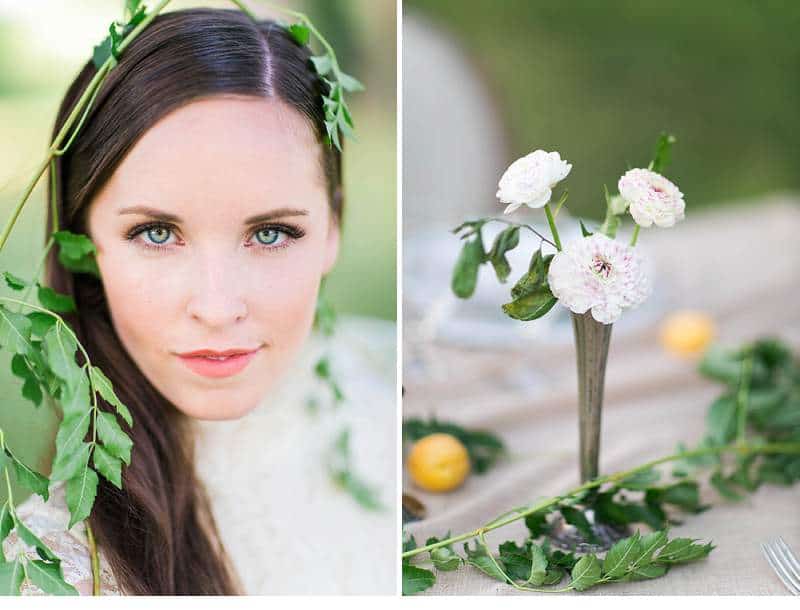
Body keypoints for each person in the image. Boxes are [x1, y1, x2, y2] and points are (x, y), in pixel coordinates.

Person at [1, 7, 395, 595]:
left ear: (333, 228)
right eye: (157, 233)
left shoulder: (383, 372)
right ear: (83, 244)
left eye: (270, 233)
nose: (216, 308)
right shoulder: (67, 574)